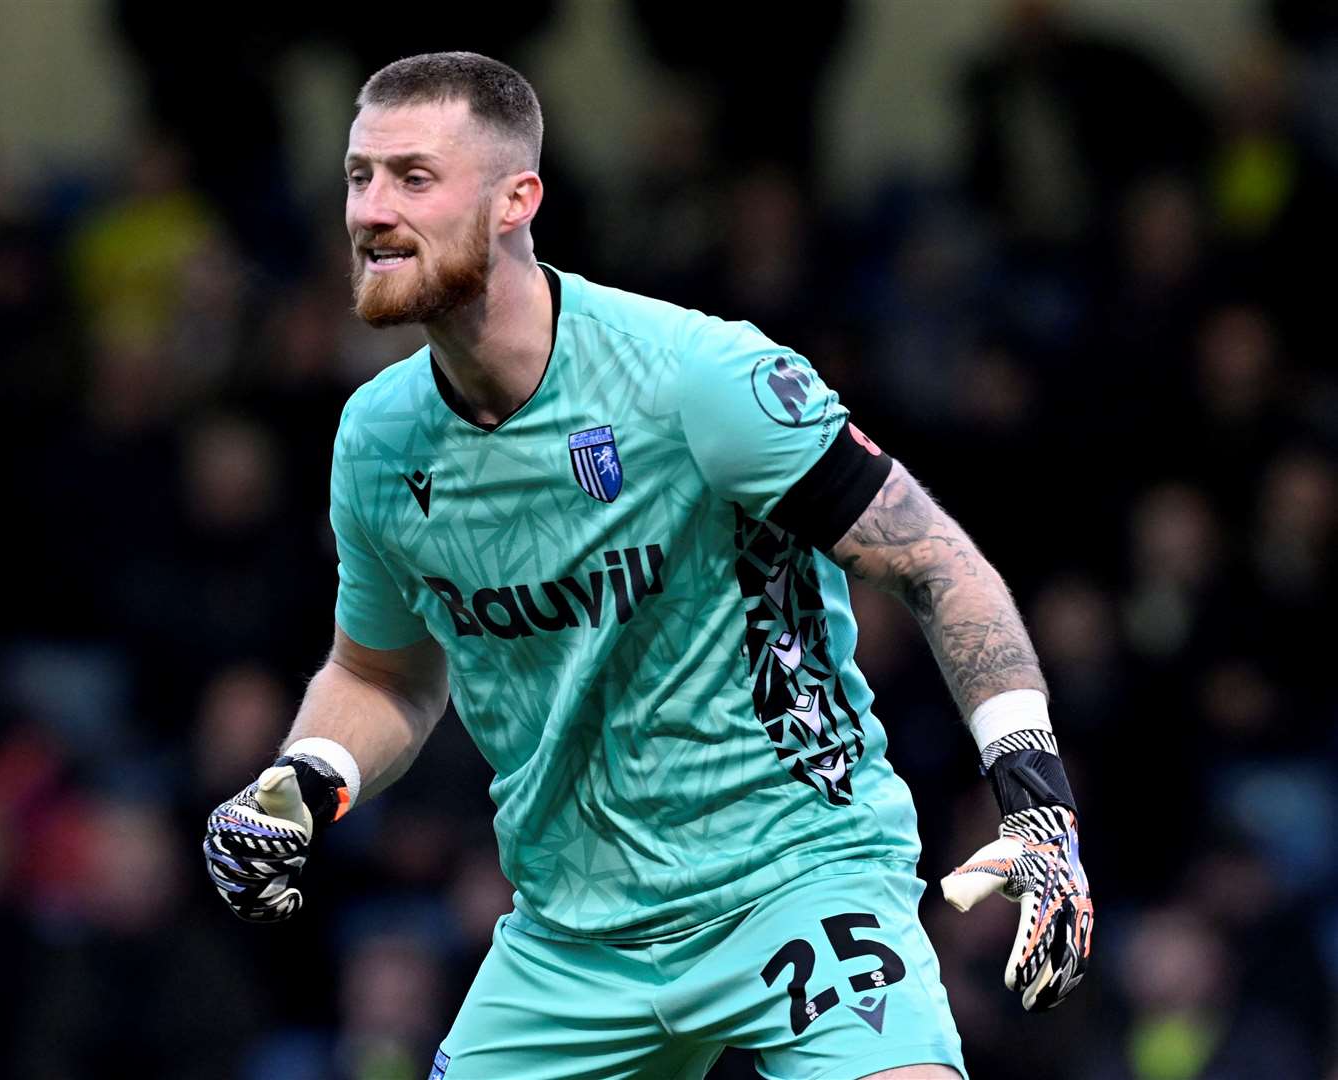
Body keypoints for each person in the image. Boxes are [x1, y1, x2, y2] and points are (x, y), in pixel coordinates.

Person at [204, 52, 1093, 1080]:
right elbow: (382, 673)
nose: (369, 210)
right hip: (571, 938)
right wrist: (305, 778)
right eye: (358, 177)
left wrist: (1035, 800)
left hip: (792, 878)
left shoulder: (696, 379)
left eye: (413, 177)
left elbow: (939, 566)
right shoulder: (377, 439)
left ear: (514, 201)